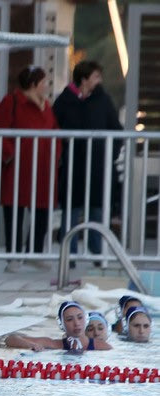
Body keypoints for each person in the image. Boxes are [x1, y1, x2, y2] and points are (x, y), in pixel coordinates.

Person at [0, 65, 61, 273]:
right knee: (14, 211)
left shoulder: (46, 105)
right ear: (33, 84)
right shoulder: (11, 102)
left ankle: (34, 252)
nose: (46, 85)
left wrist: (56, 153)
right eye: (43, 82)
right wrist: (11, 154)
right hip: (17, 168)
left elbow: (55, 131)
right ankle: (14, 255)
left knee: (42, 210)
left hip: (43, 167)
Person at [53, 61, 123, 267]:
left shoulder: (103, 100)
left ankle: (97, 252)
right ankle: (69, 255)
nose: (99, 81)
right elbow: (53, 127)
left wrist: (110, 154)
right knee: (71, 210)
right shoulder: (65, 100)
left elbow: (116, 129)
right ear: (84, 79)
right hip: (72, 165)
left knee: (97, 211)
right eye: (95, 77)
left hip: (98, 166)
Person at [5, 301, 112, 351]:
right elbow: (10, 339)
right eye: (69, 319)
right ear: (61, 324)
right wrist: (31, 345)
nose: (76, 323)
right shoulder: (54, 344)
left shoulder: (102, 346)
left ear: (86, 320)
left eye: (80, 317)